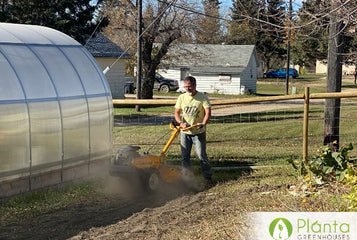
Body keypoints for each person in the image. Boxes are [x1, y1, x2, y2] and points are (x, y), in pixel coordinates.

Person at [174, 76, 213, 184]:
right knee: (184, 157)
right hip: (185, 132)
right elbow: (177, 112)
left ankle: (207, 177)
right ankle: (187, 178)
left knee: (201, 156)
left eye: (190, 87)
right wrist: (180, 123)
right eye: (186, 87)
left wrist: (203, 123)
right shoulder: (182, 97)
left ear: (195, 85)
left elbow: (208, 112)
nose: (188, 89)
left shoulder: (203, 97)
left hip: (198, 132)